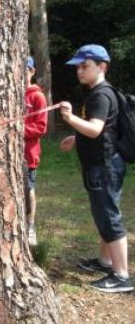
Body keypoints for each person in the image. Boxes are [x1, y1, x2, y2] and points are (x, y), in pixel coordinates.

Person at [60, 44, 133, 293]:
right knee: (104, 213)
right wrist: (75, 137)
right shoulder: (100, 92)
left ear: (101, 67)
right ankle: (105, 262)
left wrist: (70, 118)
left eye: (85, 66)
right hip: (104, 164)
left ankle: (122, 275)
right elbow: (102, 131)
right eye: (78, 67)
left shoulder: (101, 95)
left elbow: (95, 129)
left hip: (104, 167)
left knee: (109, 217)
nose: (79, 71)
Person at [24, 56, 48, 246]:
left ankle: (30, 227)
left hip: (28, 154)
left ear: (32, 71)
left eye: (25, 69)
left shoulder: (37, 97)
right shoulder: (7, 93)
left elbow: (41, 127)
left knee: (28, 189)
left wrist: (17, 130)